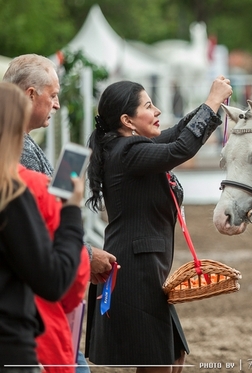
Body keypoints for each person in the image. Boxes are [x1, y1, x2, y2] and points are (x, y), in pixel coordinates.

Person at [84, 77, 232, 371]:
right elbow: (181, 149)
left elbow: (178, 134)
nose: (158, 111)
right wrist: (212, 102)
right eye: (149, 106)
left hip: (146, 269)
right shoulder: (128, 152)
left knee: (174, 357)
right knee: (159, 363)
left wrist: (210, 105)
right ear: (127, 120)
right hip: (133, 272)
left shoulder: (133, 146)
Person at [3, 53, 116, 371]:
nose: (56, 104)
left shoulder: (22, 147)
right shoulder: (16, 164)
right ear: (29, 95)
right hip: (32, 318)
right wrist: (84, 250)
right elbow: (38, 238)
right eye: (53, 95)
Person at [0, 82, 85, 371]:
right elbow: (54, 280)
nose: (57, 104)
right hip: (11, 343)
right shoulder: (12, 191)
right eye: (54, 95)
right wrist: (72, 211)